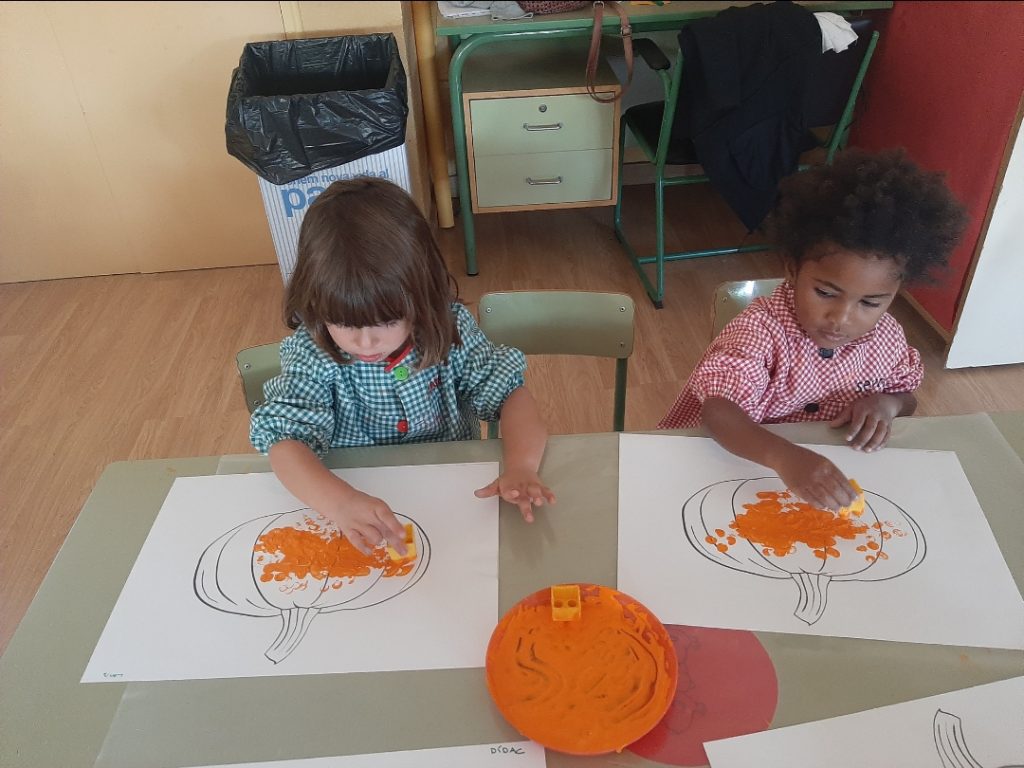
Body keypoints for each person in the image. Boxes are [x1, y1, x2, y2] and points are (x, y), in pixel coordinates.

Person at [250, 177, 554, 555]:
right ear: (315, 302)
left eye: (388, 320)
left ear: (421, 294)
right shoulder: (314, 352)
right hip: (353, 499)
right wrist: (340, 503)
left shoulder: (449, 330)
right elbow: (285, 444)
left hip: (451, 495)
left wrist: (522, 465)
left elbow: (511, 394)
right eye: (343, 322)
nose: (365, 342)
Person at [658, 148, 967, 511]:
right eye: (825, 293)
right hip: (729, 463)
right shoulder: (760, 331)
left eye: (870, 303)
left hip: (822, 475)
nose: (841, 318)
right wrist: (785, 457)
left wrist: (887, 404)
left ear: (897, 291)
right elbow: (718, 412)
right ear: (792, 269)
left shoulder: (886, 337)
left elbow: (905, 395)